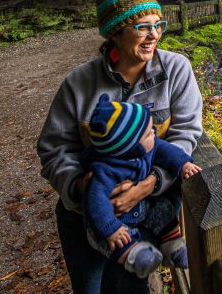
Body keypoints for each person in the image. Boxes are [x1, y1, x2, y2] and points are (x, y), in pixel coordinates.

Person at [37, 0, 203, 294]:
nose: (154, 35)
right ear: (116, 31)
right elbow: (54, 148)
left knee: (132, 287)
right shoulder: (78, 83)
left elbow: (185, 134)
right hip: (84, 215)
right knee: (90, 288)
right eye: (142, 26)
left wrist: (148, 184)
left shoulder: (176, 70)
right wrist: (84, 187)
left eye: (158, 25)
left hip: (147, 209)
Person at [82, 94, 201, 278]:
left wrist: (184, 164)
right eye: (148, 133)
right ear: (131, 148)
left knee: (164, 210)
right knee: (115, 244)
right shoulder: (104, 172)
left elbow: (169, 152)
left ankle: (173, 248)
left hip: (143, 205)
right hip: (115, 222)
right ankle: (136, 257)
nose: (154, 131)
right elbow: (95, 204)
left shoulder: (149, 146)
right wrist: (110, 229)